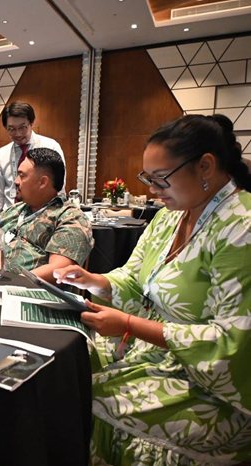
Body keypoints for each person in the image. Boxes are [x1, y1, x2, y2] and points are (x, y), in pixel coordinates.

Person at [53, 114, 251, 465]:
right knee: (70, 365)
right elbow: (134, 279)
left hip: (208, 382)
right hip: (151, 347)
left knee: (92, 397)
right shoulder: (169, 216)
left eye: (161, 179)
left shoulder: (241, 228)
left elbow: (234, 341)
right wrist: (90, 279)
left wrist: (129, 324)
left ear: (205, 166)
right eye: (148, 179)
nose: (153, 190)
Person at [0, 148, 92, 282]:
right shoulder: (13, 211)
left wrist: (13, 284)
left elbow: (59, 269)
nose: (16, 181)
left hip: (30, 291)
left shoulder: (70, 218)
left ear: (43, 182)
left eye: (22, 176)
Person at [0, 102, 64, 219]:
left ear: (31, 123)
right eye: (11, 129)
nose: (18, 134)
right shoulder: (1, 154)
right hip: (9, 219)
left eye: (22, 127)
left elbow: (59, 188)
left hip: (42, 218)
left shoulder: (50, 147)